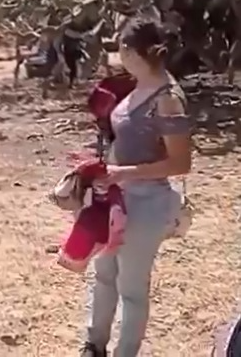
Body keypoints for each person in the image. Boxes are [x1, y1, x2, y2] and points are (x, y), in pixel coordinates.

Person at [82, 20, 192, 357]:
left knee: (131, 288)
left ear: (130, 51)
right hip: (117, 198)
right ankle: (94, 345)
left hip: (147, 203)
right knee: (104, 274)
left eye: (119, 47)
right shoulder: (138, 86)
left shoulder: (167, 98)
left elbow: (180, 163)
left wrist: (123, 172)